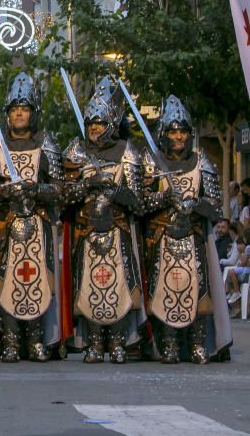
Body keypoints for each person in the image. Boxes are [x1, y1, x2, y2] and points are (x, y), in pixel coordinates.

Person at [0, 72, 66, 362]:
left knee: (38, 281)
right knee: (6, 282)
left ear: (33, 113)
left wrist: (35, 188)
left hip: (37, 223)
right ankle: (10, 339)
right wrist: (4, 192)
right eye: (14, 109)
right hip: (4, 225)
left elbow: (60, 189)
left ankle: (36, 339)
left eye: (24, 109)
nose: (18, 113)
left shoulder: (47, 145)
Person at [142, 95, 232, 363]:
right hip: (162, 238)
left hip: (193, 239)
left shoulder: (201, 163)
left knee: (198, 291)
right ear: (164, 134)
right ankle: (168, 344)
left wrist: (194, 203)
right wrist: (164, 198)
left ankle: (197, 344)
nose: (178, 136)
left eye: (182, 131)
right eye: (173, 131)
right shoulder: (153, 163)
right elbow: (140, 203)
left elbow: (215, 206)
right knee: (164, 290)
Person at [63, 77, 146, 364]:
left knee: (118, 288)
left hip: (118, 230)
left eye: (99, 122)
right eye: (90, 123)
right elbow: (64, 197)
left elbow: (139, 201)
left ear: (111, 123)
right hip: (87, 231)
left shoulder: (128, 152)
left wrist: (114, 189)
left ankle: (119, 342)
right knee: (89, 287)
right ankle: (94, 344)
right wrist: (86, 185)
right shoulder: (77, 152)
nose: (94, 128)